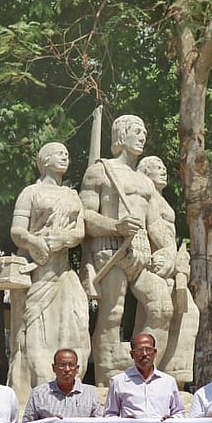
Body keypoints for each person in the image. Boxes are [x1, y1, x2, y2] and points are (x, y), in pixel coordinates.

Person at [81, 115, 174, 385]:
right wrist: (115, 225)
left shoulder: (145, 182)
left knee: (162, 307)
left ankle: (144, 370)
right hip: (111, 249)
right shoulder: (101, 171)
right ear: (121, 135)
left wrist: (168, 249)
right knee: (113, 313)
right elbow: (85, 215)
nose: (143, 136)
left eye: (144, 131)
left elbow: (154, 222)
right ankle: (106, 378)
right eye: (137, 131)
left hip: (142, 253)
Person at [7, 142, 90, 397]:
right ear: (44, 160)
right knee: (35, 329)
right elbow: (17, 231)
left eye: (67, 152)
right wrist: (34, 242)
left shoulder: (72, 195)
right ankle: (35, 386)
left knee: (75, 322)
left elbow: (80, 230)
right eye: (58, 153)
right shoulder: (30, 192)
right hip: (37, 272)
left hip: (63, 271)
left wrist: (65, 239)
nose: (65, 156)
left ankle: (71, 381)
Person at [136, 155, 198, 385]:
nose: (163, 171)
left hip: (171, 265)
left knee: (189, 314)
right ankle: (147, 373)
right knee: (164, 314)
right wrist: (170, 252)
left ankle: (174, 377)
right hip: (155, 265)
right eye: (156, 168)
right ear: (145, 172)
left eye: (163, 167)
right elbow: (152, 226)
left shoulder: (161, 199)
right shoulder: (147, 196)